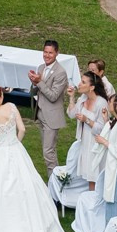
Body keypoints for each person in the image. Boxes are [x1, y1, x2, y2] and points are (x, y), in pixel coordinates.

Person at [0, 86, 66, 232]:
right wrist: (15, 143)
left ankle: (2, 226)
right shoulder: (12, 107)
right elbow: (22, 129)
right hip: (15, 149)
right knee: (26, 184)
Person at [28, 39, 68, 174]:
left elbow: (53, 96)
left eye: (50, 53)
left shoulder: (60, 72)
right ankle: (56, 180)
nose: (47, 55)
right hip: (41, 114)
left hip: (52, 117)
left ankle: (54, 184)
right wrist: (34, 82)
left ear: (57, 53)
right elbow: (38, 90)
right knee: (49, 151)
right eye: (45, 52)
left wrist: (39, 82)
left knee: (48, 153)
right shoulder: (41, 67)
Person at [66, 71, 104, 188]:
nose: (79, 84)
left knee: (94, 176)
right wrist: (72, 97)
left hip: (95, 143)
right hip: (85, 142)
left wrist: (87, 120)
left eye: (83, 82)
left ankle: (95, 202)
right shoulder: (83, 98)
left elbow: (103, 128)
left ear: (91, 87)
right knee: (89, 176)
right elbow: (72, 114)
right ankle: (90, 201)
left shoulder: (101, 103)